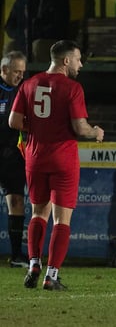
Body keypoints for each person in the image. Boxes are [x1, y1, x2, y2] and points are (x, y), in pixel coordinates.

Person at [8, 40, 104, 291]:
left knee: (38, 214)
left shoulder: (28, 84)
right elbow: (79, 127)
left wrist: (39, 127)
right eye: (78, 59)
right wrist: (95, 132)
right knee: (62, 220)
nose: (80, 64)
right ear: (65, 61)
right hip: (63, 159)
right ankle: (51, 275)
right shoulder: (72, 88)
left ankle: (33, 264)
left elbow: (14, 121)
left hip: (35, 158)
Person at [5, 0, 70, 61]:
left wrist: (34, 33)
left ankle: (40, 76)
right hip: (27, 39)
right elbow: (10, 25)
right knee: (10, 47)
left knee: (37, 46)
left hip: (50, 40)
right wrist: (22, 34)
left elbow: (59, 27)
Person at [0, 51, 28, 268]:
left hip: (13, 156)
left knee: (17, 201)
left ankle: (17, 255)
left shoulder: (25, 91)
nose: (20, 75)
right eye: (17, 71)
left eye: (22, 72)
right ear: (4, 70)